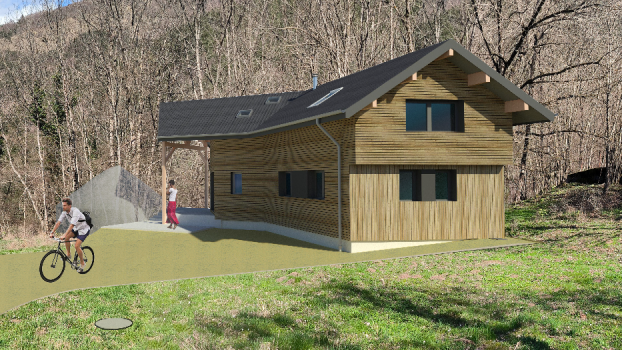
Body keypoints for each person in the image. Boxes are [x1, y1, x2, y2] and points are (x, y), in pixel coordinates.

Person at [49, 198, 91, 273]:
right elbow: (58, 222)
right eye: (63, 205)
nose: (63, 207)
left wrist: (64, 234)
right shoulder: (64, 212)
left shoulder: (76, 211)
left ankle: (82, 264)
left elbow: (71, 225)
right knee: (67, 238)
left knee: (77, 246)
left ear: (70, 206)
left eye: (65, 205)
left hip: (83, 229)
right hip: (76, 228)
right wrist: (52, 232)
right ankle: (68, 255)